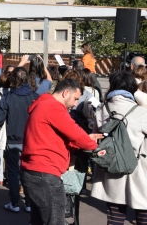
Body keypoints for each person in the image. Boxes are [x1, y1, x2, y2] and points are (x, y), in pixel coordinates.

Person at [21, 79, 102, 225]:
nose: (76, 104)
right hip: (45, 172)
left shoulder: (44, 105)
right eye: (76, 99)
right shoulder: (53, 107)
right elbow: (75, 133)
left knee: (40, 220)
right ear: (65, 93)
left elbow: (61, 137)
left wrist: (85, 139)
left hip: (35, 170)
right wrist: (94, 146)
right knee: (55, 220)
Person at [92, 71, 147, 225]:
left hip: (111, 166)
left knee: (115, 217)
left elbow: (96, 137)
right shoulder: (142, 112)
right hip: (139, 169)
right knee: (143, 214)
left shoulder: (102, 110)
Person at [0, 67, 39, 213]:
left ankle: (14, 203)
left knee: (13, 172)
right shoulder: (35, 97)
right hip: (31, 140)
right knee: (30, 172)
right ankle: (30, 203)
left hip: (13, 139)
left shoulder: (8, 97)